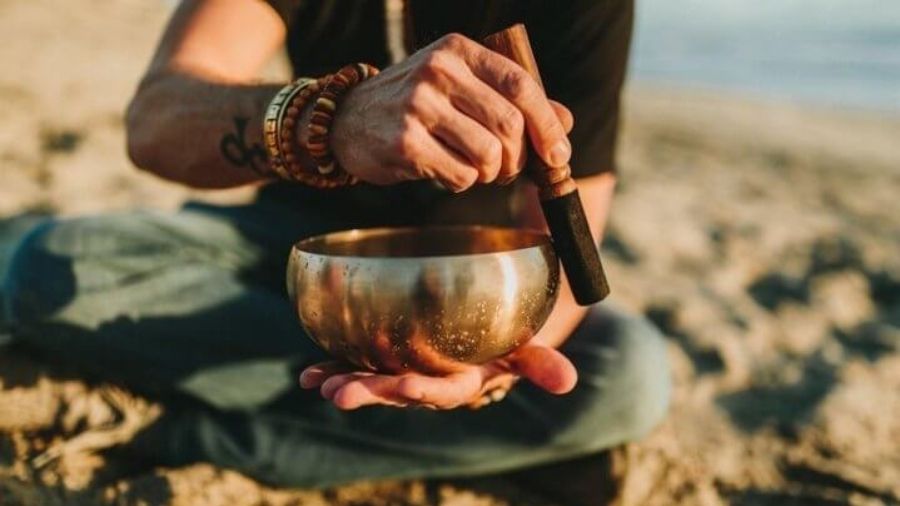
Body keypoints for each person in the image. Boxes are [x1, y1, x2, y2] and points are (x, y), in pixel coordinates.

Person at [0, 1, 669, 504]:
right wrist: (333, 118)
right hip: (298, 269)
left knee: (629, 374)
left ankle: (222, 440)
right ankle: (475, 453)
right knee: (52, 265)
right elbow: (156, 121)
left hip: (480, 294)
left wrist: (496, 370)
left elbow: (572, 227)